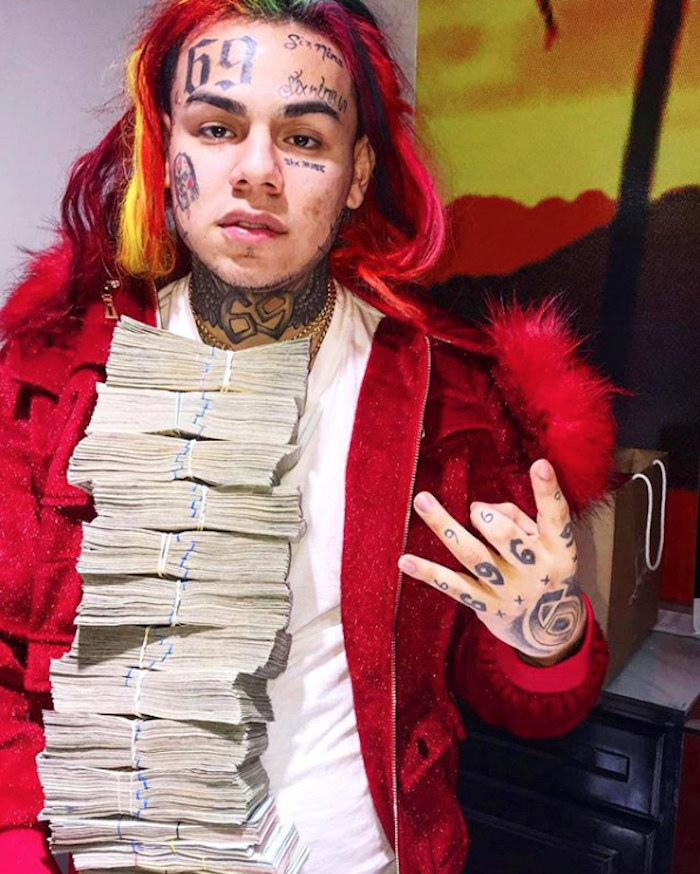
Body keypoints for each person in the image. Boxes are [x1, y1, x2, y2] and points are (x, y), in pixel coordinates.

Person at [0, 1, 614, 872]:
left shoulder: (450, 404)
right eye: (217, 128)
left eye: (303, 139)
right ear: (166, 148)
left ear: (357, 173)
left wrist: (549, 634)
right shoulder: (55, 374)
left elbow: (519, 693)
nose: (257, 171)